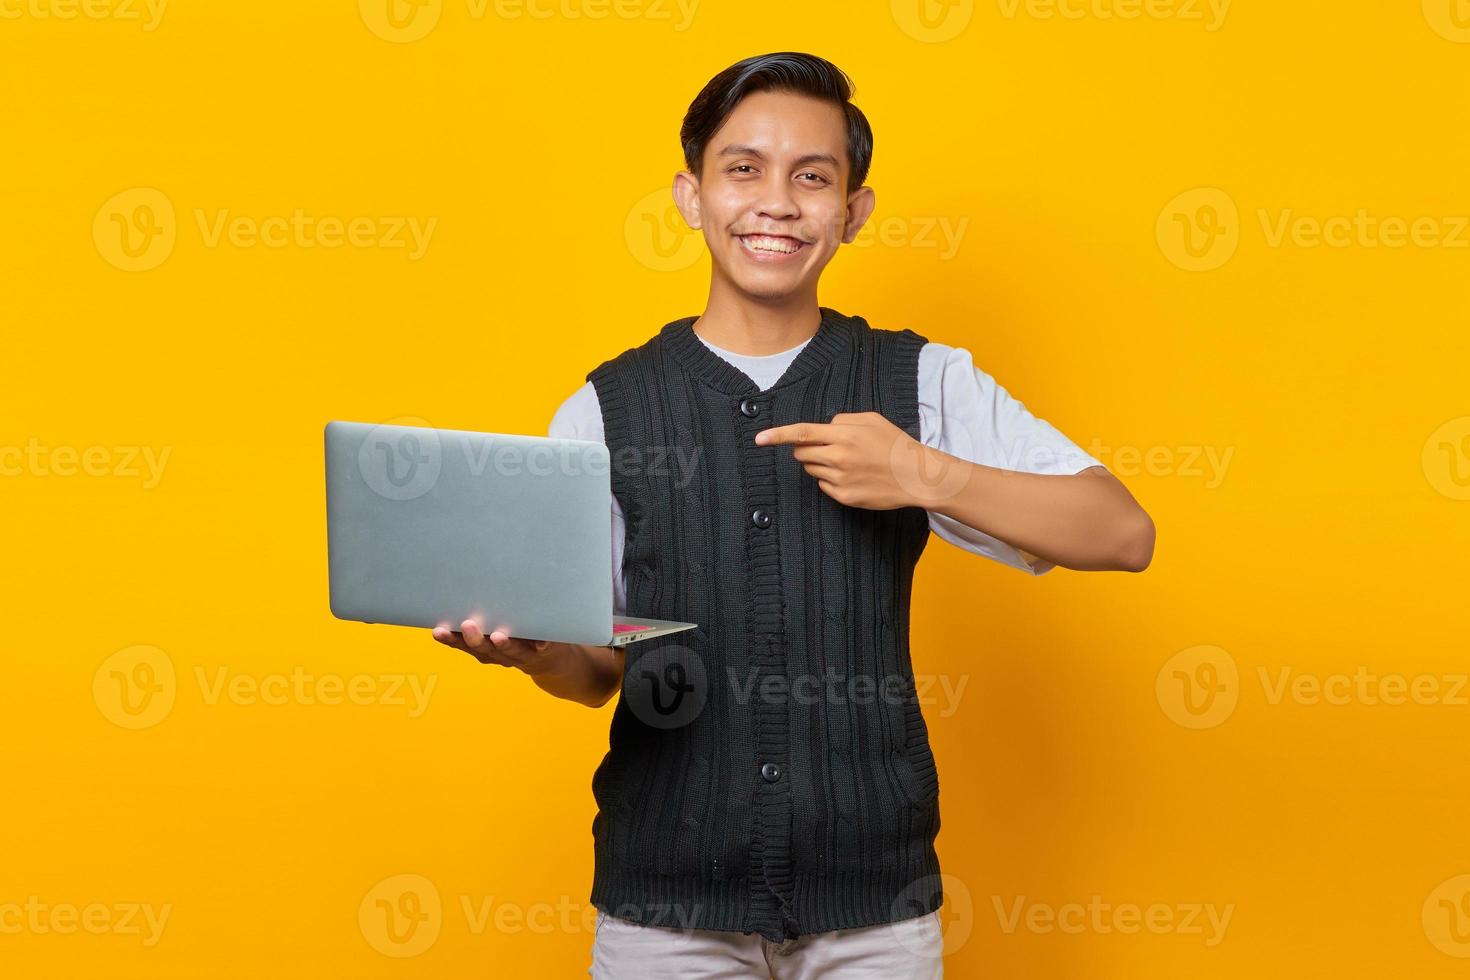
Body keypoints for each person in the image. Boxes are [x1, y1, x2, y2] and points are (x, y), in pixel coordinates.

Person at [431, 51, 1155, 979]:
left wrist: (920, 471)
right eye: (744, 169)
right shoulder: (605, 407)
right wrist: (537, 655)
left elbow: (1121, 532)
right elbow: (596, 675)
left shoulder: (920, 381)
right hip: (666, 908)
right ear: (692, 196)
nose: (776, 202)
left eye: (812, 177)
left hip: (876, 910)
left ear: (853, 212)